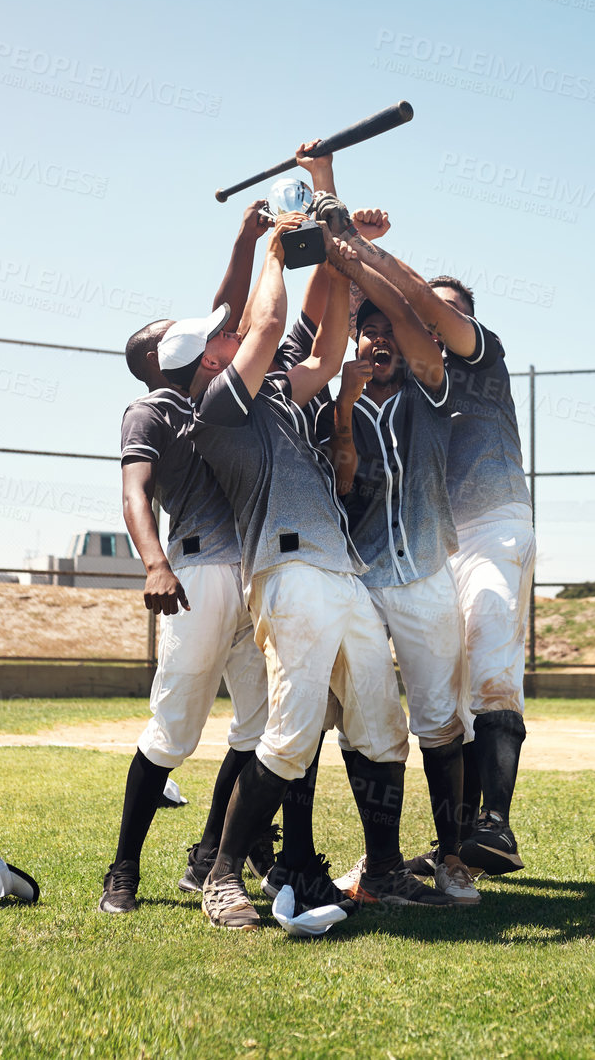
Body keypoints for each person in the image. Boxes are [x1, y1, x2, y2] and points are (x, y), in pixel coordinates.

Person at [183, 148, 450, 929]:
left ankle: (386, 868)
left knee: (379, 724)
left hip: (342, 570)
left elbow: (327, 349)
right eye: (216, 338)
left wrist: (330, 233)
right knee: (290, 732)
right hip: (290, 567)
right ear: (206, 364)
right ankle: (224, 875)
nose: (230, 335)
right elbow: (266, 320)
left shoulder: (277, 390)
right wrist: (275, 246)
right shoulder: (220, 408)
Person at [325, 220, 533, 878]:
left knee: (491, 643)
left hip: (494, 523)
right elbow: (374, 318)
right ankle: (458, 846)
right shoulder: (410, 380)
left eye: (448, 310)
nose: (436, 319)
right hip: (436, 543)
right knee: (444, 691)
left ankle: (492, 825)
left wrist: (356, 245)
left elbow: (416, 299)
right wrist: (337, 233)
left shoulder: (477, 354)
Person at [97, 201, 282, 915]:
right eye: (188, 340)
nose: (216, 338)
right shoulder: (150, 410)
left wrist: (244, 240)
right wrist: (152, 561)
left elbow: (225, 313)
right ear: (157, 359)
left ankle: (211, 853)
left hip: (260, 575)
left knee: (264, 728)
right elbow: (135, 492)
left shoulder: (215, 392)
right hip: (198, 573)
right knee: (173, 732)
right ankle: (123, 868)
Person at [323, 212, 478, 905]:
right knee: (367, 722)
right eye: (368, 333)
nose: (379, 341)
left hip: (423, 572)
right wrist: (344, 408)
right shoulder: (340, 404)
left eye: (387, 333)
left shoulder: (429, 389)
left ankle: (451, 857)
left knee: (441, 720)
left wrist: (361, 249)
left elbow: (412, 325)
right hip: (360, 578)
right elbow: (343, 485)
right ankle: (382, 863)